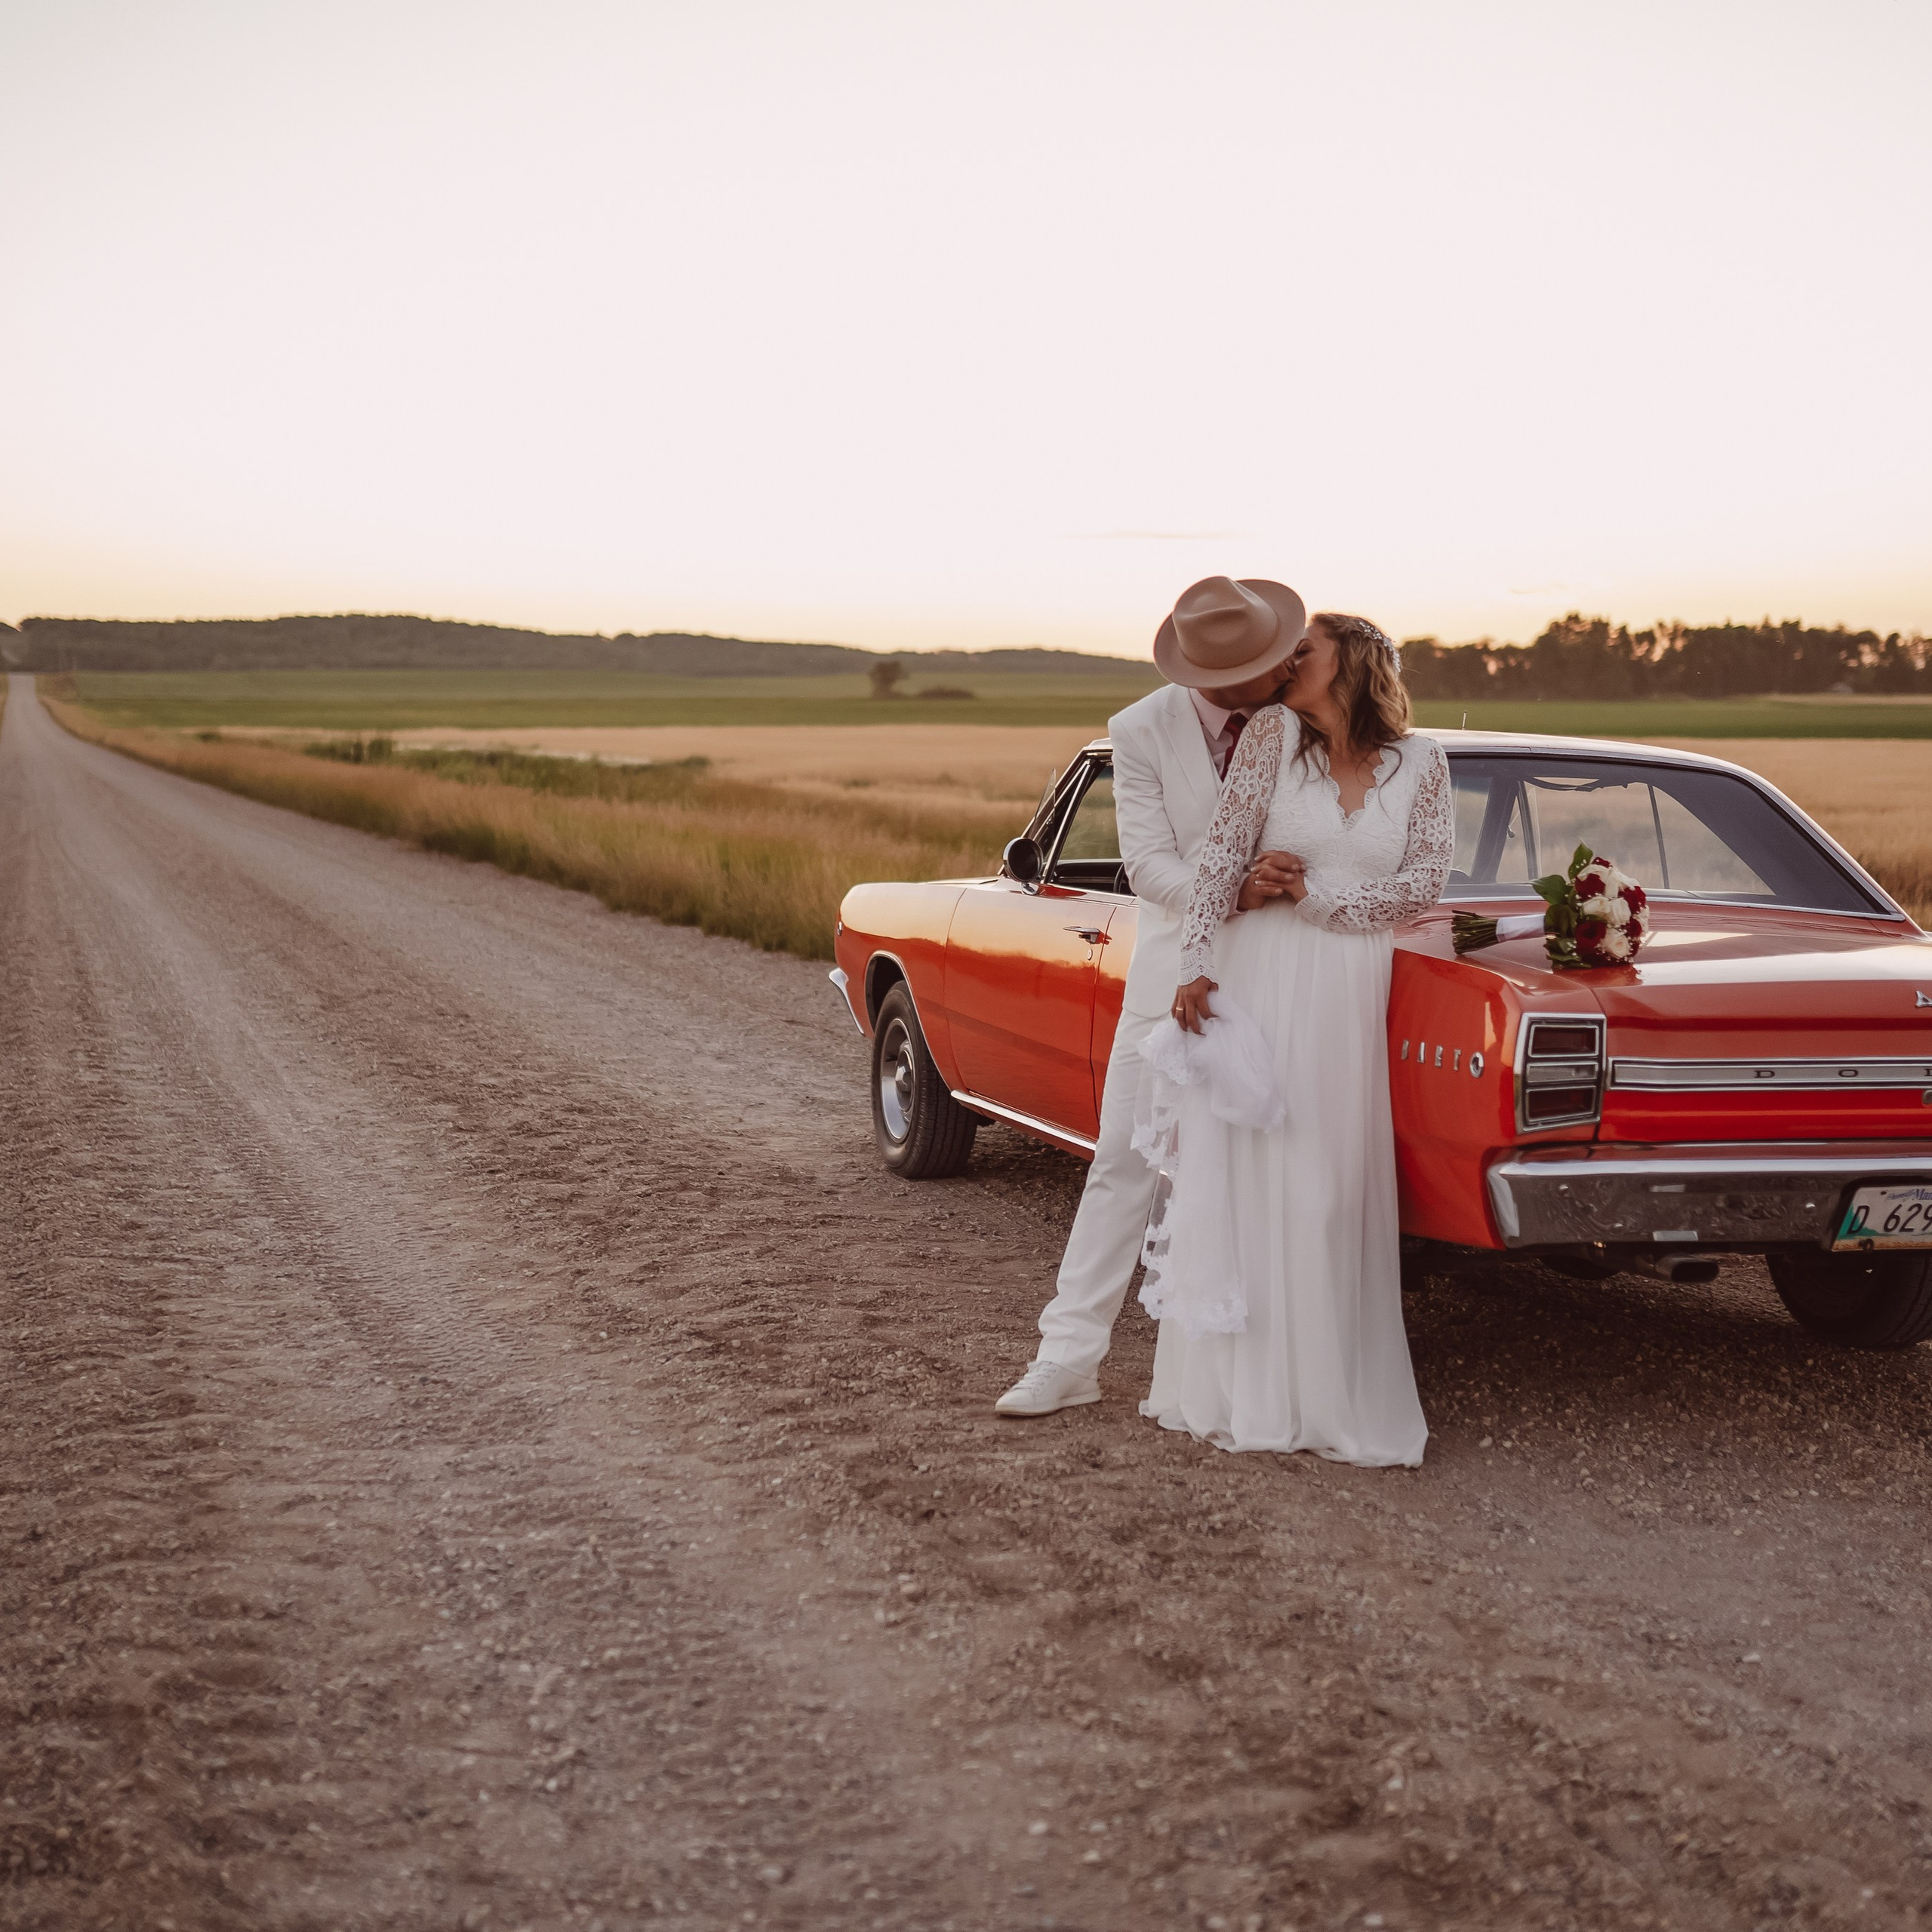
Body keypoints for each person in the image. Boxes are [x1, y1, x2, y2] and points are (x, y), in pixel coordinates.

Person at [996, 576, 1309, 1417]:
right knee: (1124, 1162)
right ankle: (1066, 1357)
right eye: (1260, 665)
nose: (1281, 671)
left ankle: (1257, 1366)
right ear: (1209, 677)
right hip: (1170, 971)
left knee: (1272, 1166)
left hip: (1290, 965)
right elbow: (1146, 865)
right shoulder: (1139, 729)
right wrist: (1235, 893)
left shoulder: (1304, 714)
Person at [1146, 612, 1454, 1465]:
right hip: (1267, 973)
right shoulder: (1274, 736)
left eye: (1304, 649)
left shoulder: (1424, 762)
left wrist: (1320, 900)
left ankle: (1331, 1388)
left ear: (1351, 661)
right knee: (1260, 1172)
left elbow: (1426, 878)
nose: (1286, 660)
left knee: (1331, 1184)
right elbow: (1219, 855)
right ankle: (1248, 1390)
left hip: (1353, 983)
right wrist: (1195, 960)